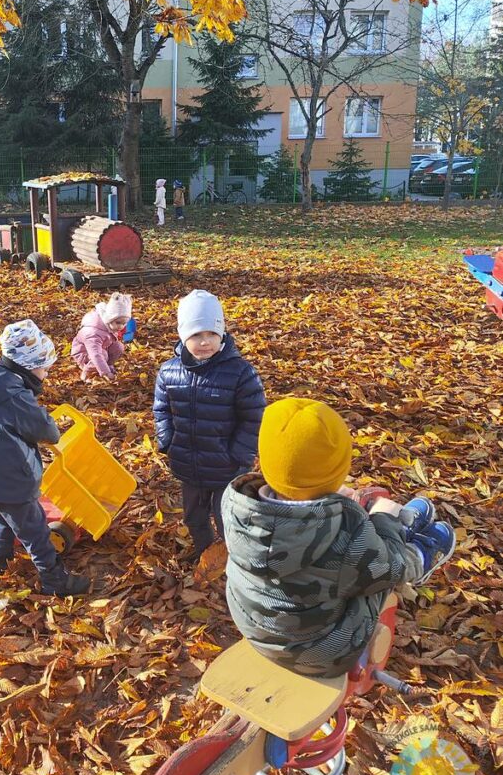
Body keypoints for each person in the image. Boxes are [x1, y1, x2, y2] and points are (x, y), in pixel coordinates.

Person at [222, 397, 456, 678]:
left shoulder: (237, 502)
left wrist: (325, 494)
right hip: (320, 653)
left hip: (255, 627)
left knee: (346, 565)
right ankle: (418, 553)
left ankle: (396, 529)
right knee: (383, 568)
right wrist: (383, 519)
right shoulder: (345, 535)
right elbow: (389, 569)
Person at [0, 319, 90, 597]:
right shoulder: (13, 396)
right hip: (8, 479)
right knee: (36, 530)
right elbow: (47, 431)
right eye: (44, 368)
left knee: (5, 520)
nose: (45, 375)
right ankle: (55, 580)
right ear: (28, 367)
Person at [153, 290, 266, 562]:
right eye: (196, 335)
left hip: (226, 466)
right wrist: (168, 441)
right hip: (189, 465)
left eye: (212, 334)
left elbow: (254, 417)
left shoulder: (239, 372)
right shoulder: (169, 372)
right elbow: (161, 409)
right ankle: (205, 552)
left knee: (227, 518)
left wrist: (238, 454)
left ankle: (233, 562)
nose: (205, 342)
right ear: (182, 336)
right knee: (194, 517)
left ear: (222, 334)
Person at [71, 292, 132, 380]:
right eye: (118, 322)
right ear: (110, 319)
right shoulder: (93, 333)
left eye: (124, 323)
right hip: (84, 353)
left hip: (102, 347)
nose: (121, 326)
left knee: (118, 347)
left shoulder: (109, 326)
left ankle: (107, 364)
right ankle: (87, 370)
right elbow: (95, 354)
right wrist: (106, 373)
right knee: (102, 354)